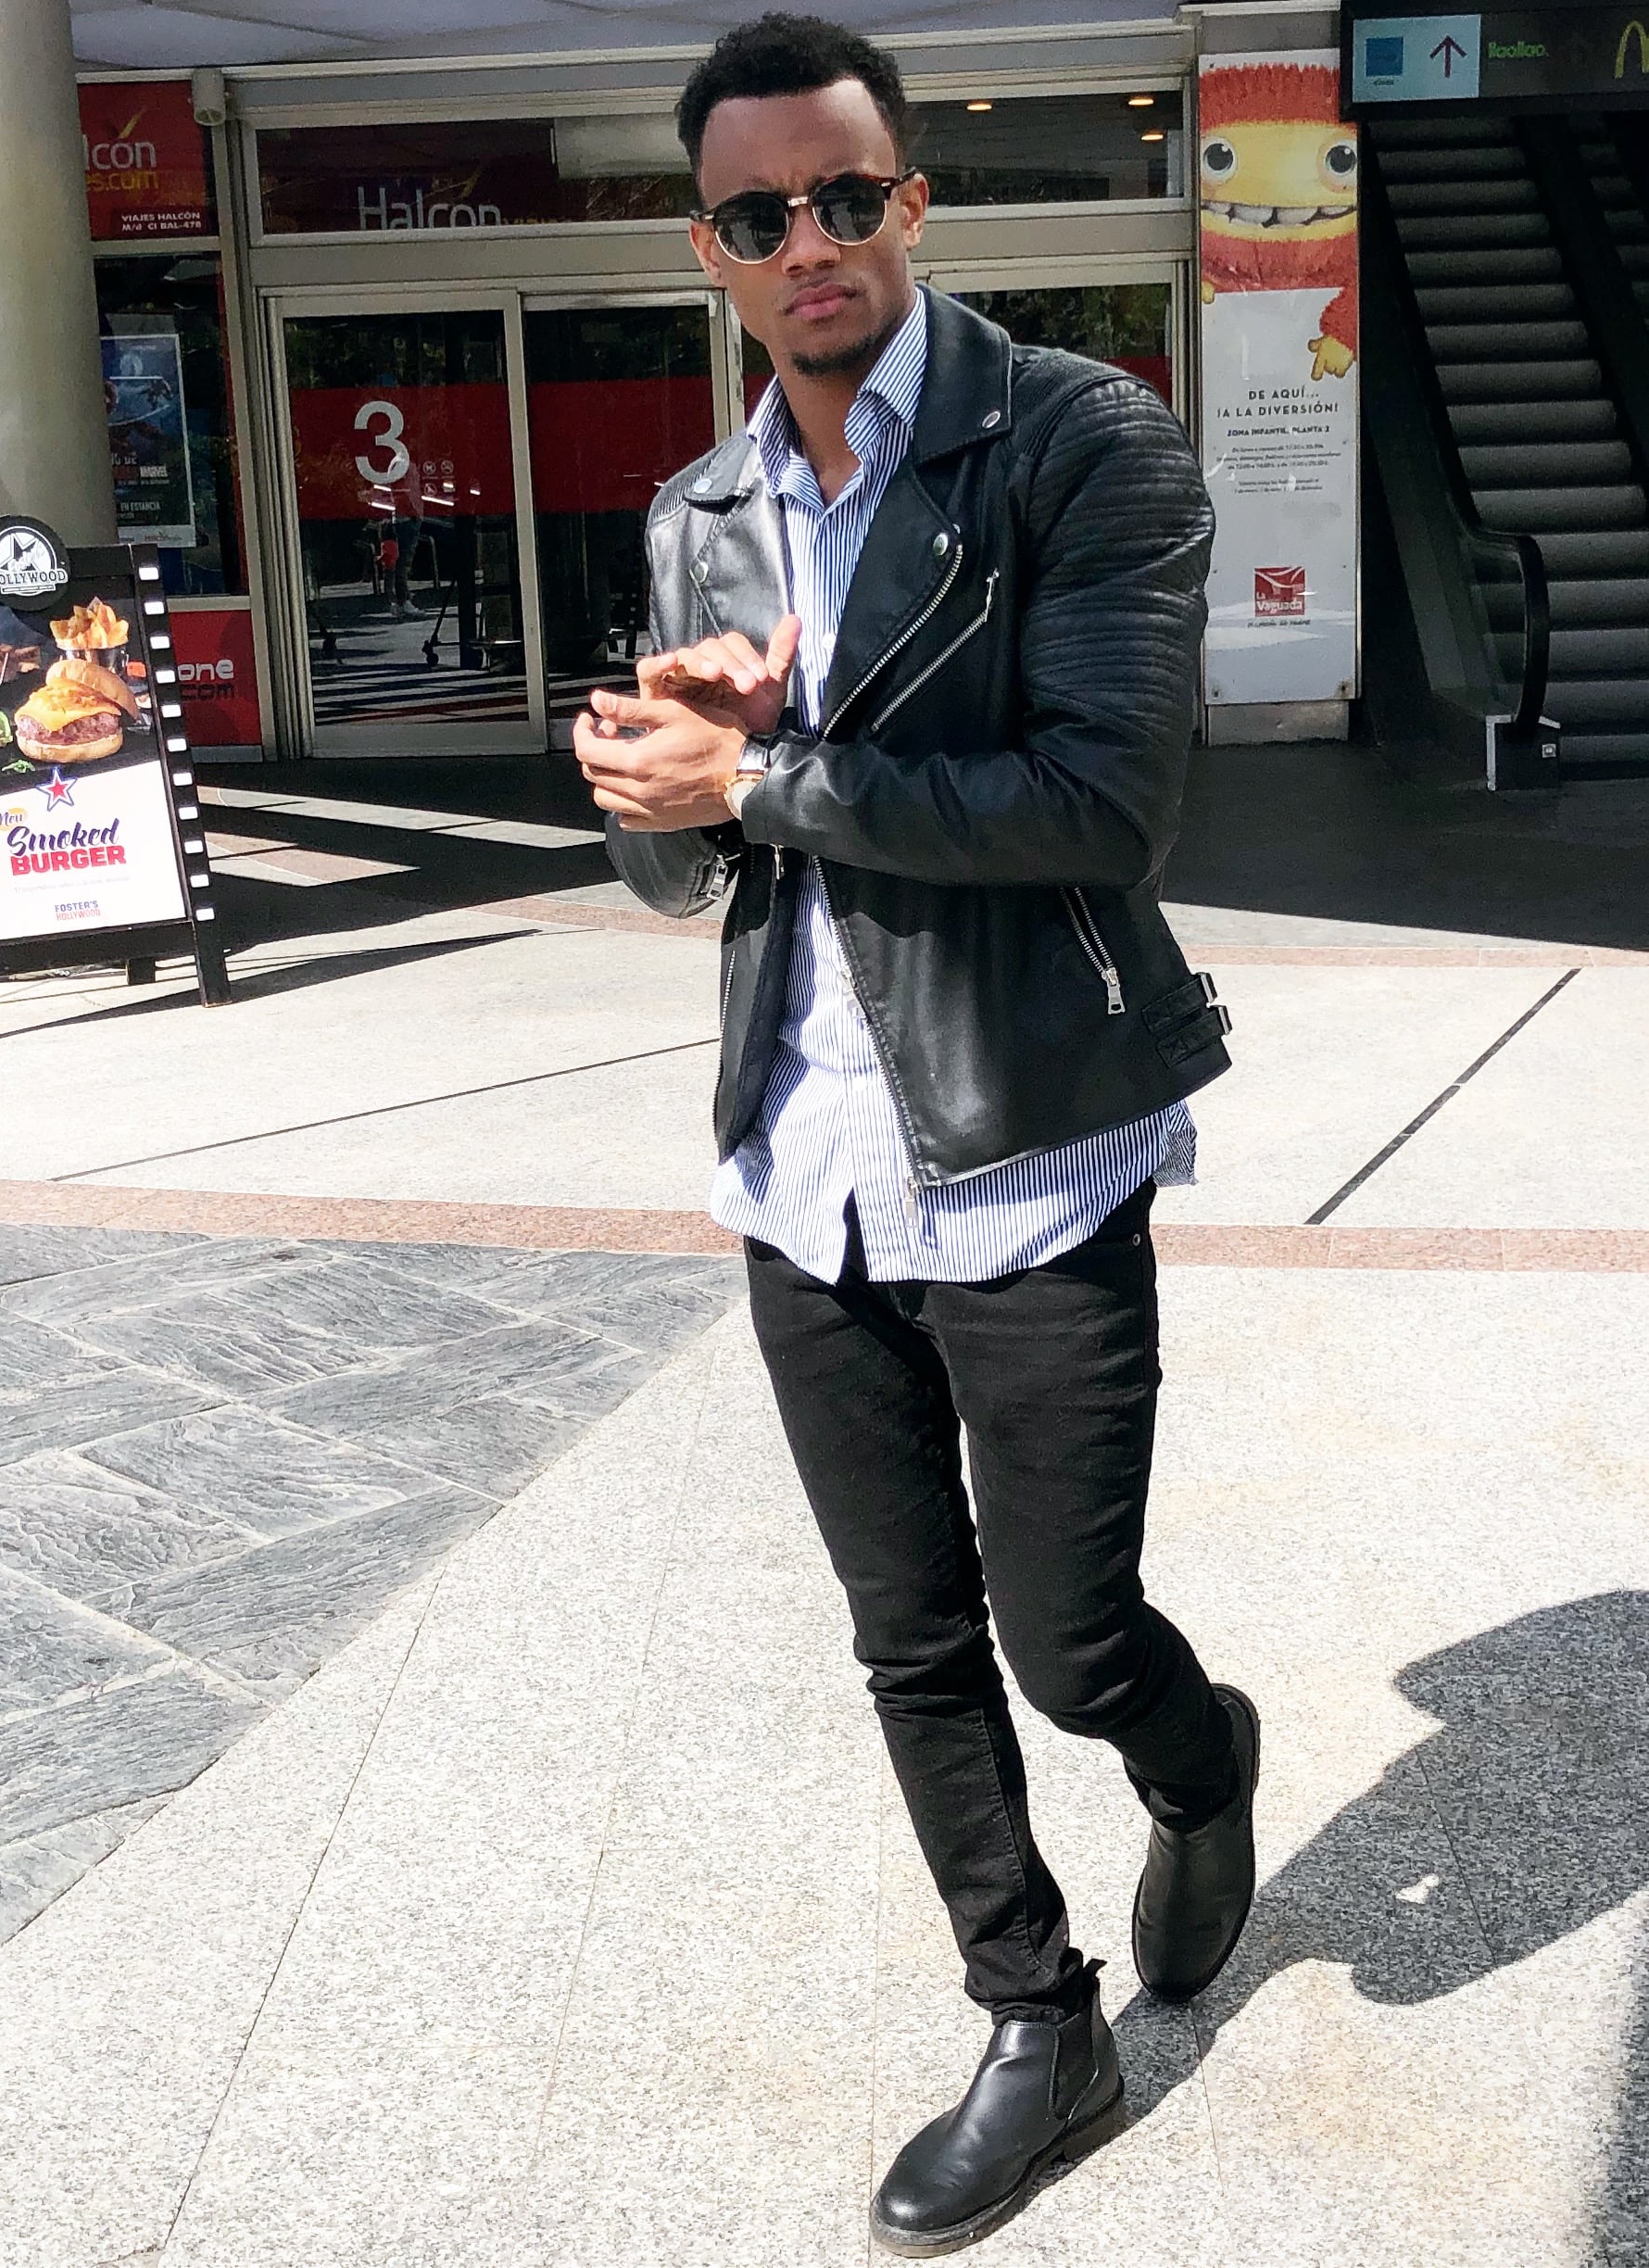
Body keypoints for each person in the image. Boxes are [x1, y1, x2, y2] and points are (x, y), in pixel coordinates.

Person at [573, 14, 1253, 2254]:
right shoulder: (697, 514)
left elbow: (1102, 803)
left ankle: (1198, 1761)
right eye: (757, 214)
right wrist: (659, 779)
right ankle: (1035, 2019)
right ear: (709, 248)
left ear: (912, 203)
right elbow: (675, 876)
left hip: (1029, 1146)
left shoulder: (1078, 441)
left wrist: (764, 777)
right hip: (800, 1163)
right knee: (907, 1638)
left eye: (845, 195)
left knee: (1069, 1644)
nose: (810, 242)